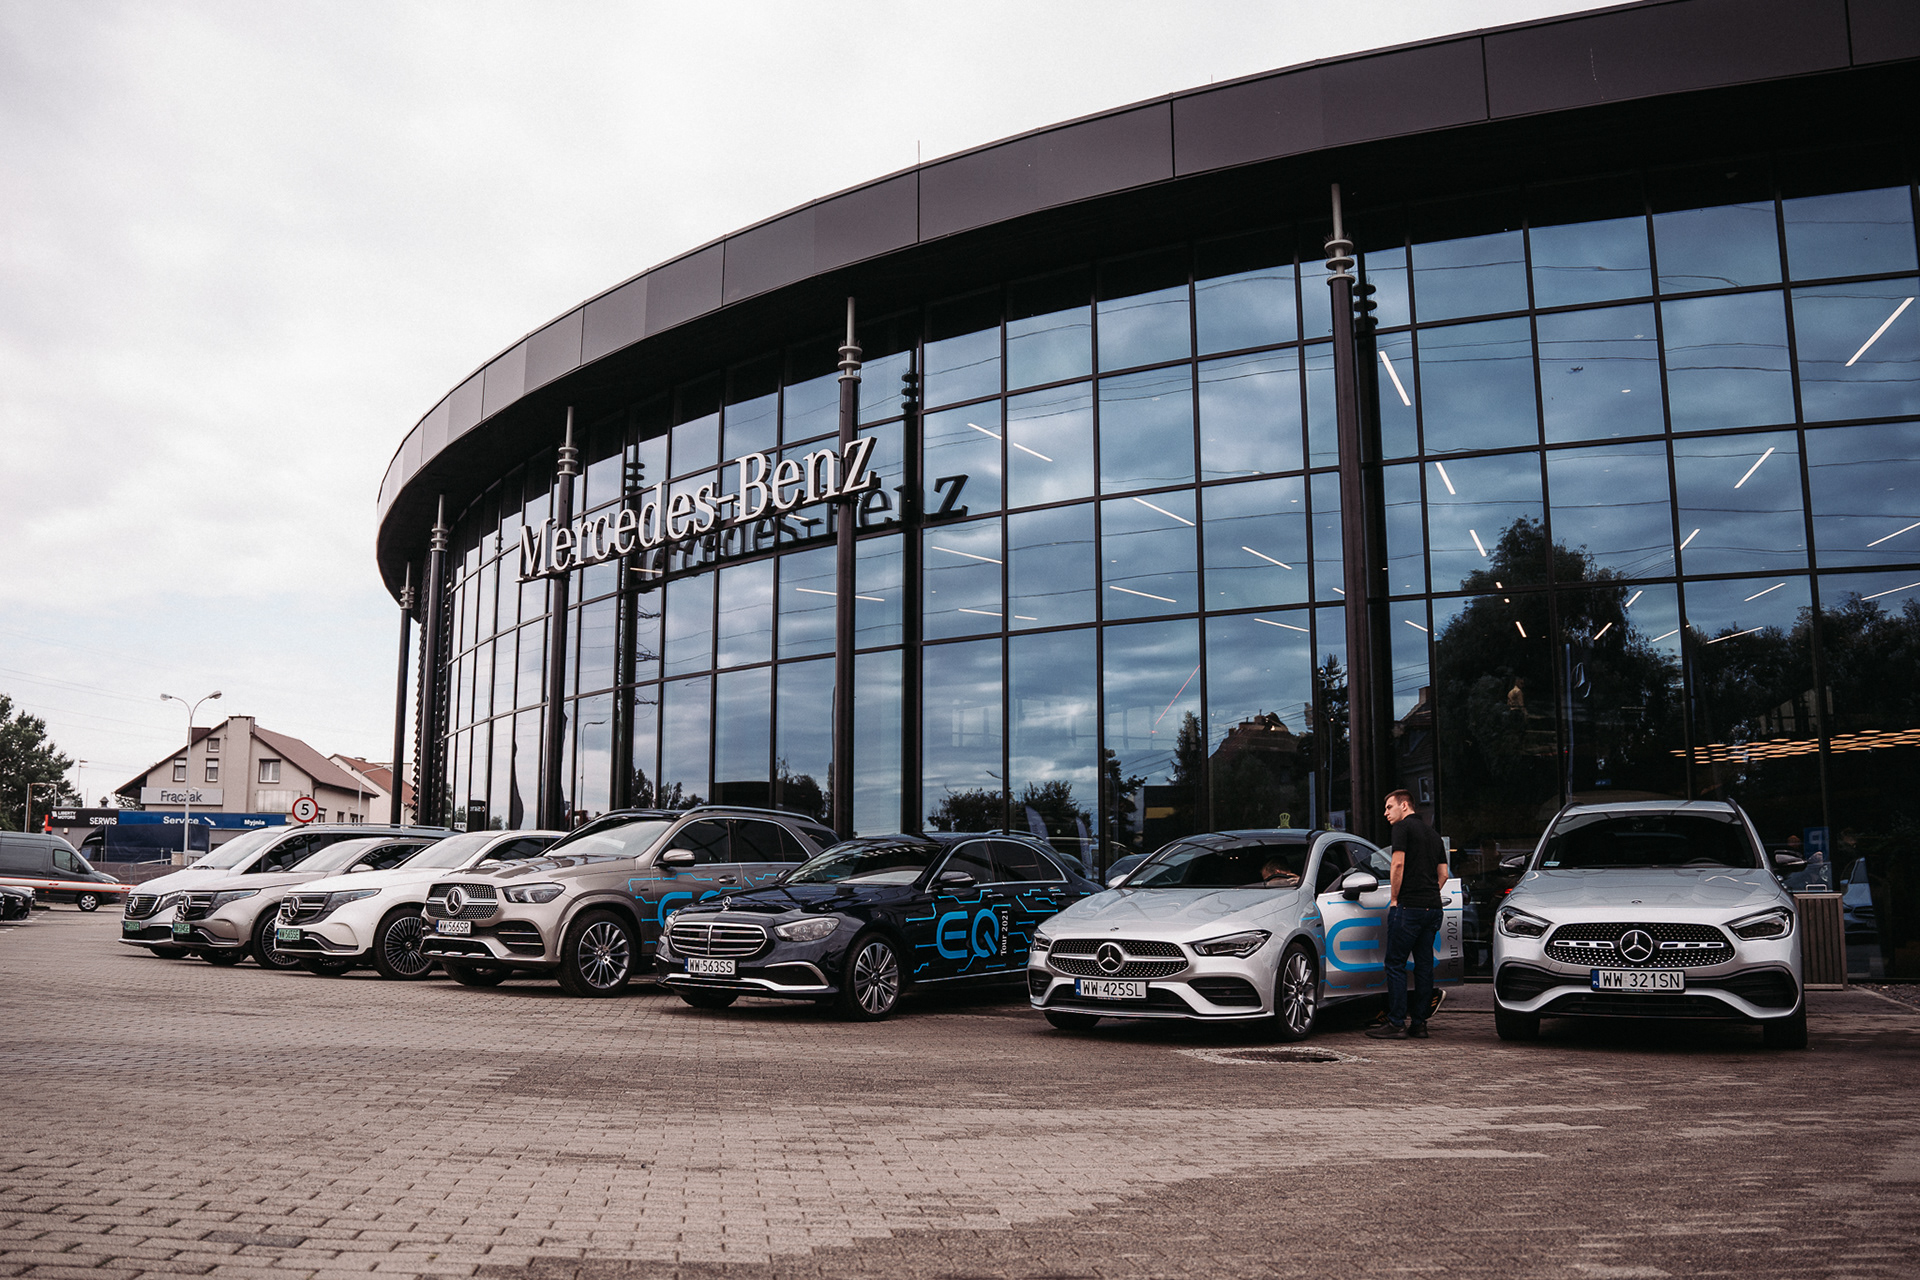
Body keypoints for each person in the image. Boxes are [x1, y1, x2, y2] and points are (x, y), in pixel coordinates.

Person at [1367, 789, 1448, 1041]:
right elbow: (1444, 874)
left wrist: (1394, 898)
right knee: (1424, 966)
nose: (1385, 813)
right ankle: (1420, 1024)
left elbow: (1398, 864)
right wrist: (1429, 892)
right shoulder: (1434, 835)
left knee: (1395, 963)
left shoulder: (1402, 828)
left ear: (1404, 806)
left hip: (1409, 907)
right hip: (1432, 908)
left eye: (1389, 807)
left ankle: (1396, 1022)